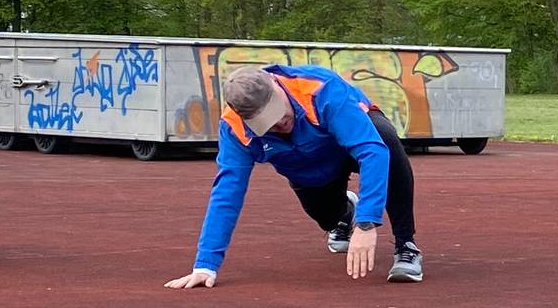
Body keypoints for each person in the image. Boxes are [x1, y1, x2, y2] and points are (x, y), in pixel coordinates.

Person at [165, 65, 425, 288]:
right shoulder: (234, 129)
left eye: (279, 114)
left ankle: (406, 245)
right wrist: (205, 265)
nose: (280, 125)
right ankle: (345, 215)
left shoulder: (321, 89)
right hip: (308, 171)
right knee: (326, 216)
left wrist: (367, 224)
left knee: (385, 140)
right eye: (268, 124)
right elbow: (226, 192)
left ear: (276, 86)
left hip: (350, 144)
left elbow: (371, 151)